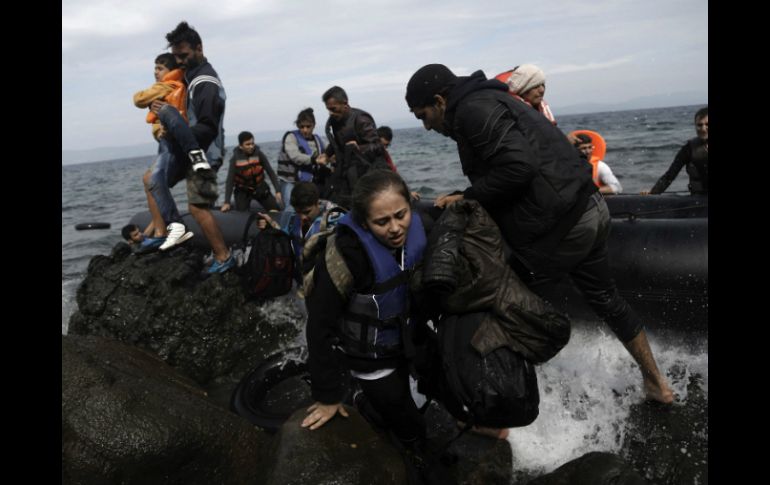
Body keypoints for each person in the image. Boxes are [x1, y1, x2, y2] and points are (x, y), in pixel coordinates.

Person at [405, 64, 674, 404]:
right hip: (588, 208)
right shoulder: (492, 98)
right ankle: (657, 384)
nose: (426, 126)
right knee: (607, 299)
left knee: (493, 297)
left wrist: (469, 197)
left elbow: (518, 167)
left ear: (440, 100)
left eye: (423, 115)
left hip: (562, 227)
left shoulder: (473, 111)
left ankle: (503, 408)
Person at [300, 170, 454, 483]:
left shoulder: (421, 225)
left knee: (443, 380)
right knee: (404, 416)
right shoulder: (348, 254)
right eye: (382, 222)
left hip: (409, 332)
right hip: (369, 354)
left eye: (401, 215)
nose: (396, 228)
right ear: (364, 221)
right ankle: (411, 447)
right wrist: (328, 396)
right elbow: (319, 326)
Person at [148, 21, 234, 273]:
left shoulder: (205, 82)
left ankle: (223, 256)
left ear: (199, 48)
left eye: (184, 56)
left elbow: (207, 127)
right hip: (189, 150)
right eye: (176, 57)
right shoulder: (190, 76)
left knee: (197, 207)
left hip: (204, 154)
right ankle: (159, 232)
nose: (180, 61)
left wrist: (173, 127)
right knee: (150, 180)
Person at [134, 53, 194, 250]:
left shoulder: (165, 86)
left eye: (159, 69)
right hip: (170, 142)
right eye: (155, 69)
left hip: (171, 143)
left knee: (151, 180)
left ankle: (164, 231)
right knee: (150, 181)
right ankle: (156, 228)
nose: (155, 72)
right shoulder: (178, 86)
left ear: (171, 71)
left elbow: (138, 99)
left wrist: (149, 99)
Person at [321, 86, 390, 208]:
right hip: (348, 173)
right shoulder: (336, 121)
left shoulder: (361, 119)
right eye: (328, 110)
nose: (331, 113)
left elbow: (378, 146)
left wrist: (359, 148)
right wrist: (326, 154)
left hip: (367, 173)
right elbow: (336, 142)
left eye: (333, 109)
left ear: (345, 104)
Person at [644, 107, 708, 195]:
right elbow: (670, 175)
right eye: (699, 125)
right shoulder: (688, 149)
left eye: (707, 124)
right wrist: (653, 192)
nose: (703, 129)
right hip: (697, 199)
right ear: (695, 126)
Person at [277, 108, 329, 211]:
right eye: (302, 127)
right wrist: (315, 160)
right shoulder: (291, 138)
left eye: (308, 126)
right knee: (291, 208)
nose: (305, 130)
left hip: (308, 183)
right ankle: (285, 227)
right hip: (291, 181)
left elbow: (327, 152)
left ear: (314, 125)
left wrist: (331, 158)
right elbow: (295, 156)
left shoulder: (318, 140)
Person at [221, 131, 282, 212]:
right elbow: (230, 181)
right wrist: (227, 202)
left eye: (252, 143)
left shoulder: (259, 154)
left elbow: (270, 172)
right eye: (247, 144)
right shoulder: (234, 159)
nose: (251, 146)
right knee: (241, 215)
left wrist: (277, 190)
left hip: (260, 187)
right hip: (243, 191)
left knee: (276, 210)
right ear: (241, 146)